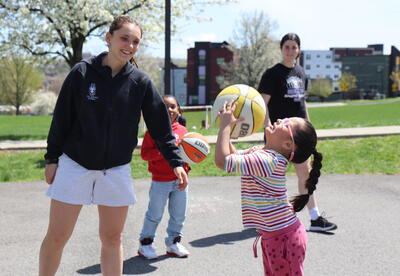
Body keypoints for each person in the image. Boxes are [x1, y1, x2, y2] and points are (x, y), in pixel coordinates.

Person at [39, 15, 188, 276]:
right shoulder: (82, 73)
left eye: (135, 42)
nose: (129, 45)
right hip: (75, 164)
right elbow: (61, 119)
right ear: (109, 38)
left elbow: (160, 127)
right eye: (124, 38)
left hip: (116, 169)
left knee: (112, 239)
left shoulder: (140, 82)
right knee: (58, 236)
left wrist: (176, 162)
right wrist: (52, 159)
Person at [215, 100, 323, 275]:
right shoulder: (262, 152)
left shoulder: (268, 161)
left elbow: (222, 162)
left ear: (288, 145)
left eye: (286, 123)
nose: (280, 119)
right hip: (275, 235)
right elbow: (233, 156)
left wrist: (225, 127)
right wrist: (227, 128)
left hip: (283, 239)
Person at [258, 33, 337, 232]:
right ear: (281, 49)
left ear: (299, 50)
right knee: (272, 177)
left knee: (306, 175)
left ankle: (315, 218)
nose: (290, 50)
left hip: (299, 135)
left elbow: (302, 103)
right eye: (287, 47)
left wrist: (309, 128)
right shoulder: (272, 74)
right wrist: (268, 129)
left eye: (294, 47)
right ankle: (268, 218)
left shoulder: (301, 72)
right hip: (279, 135)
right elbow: (262, 104)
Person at [138, 95, 190, 259]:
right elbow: (145, 154)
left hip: (180, 181)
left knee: (179, 215)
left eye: (173, 106)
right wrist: (165, 150)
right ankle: (145, 244)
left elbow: (188, 156)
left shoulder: (184, 131)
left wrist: (188, 168)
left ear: (178, 110)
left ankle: (173, 243)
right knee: (154, 214)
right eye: (165, 106)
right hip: (160, 180)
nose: (169, 110)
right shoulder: (153, 131)